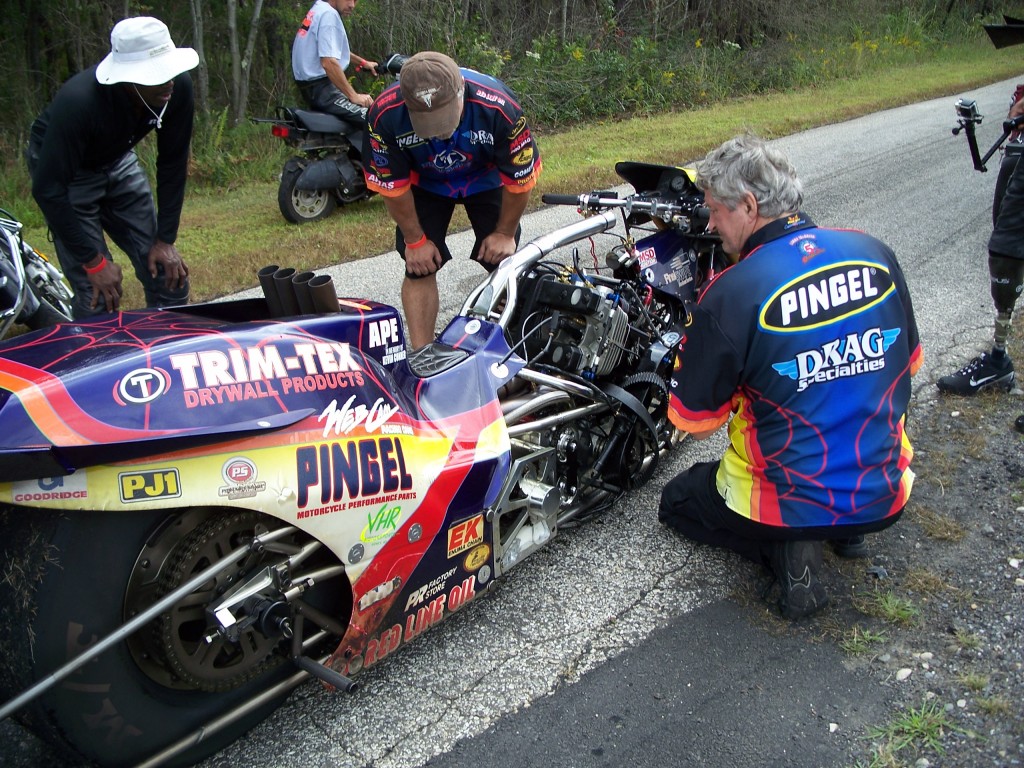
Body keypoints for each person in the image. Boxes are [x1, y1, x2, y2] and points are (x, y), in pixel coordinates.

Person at [659, 134, 923, 620]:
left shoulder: (732, 290)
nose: (709, 222)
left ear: (750, 205)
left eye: (715, 209)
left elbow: (692, 419)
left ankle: (788, 552)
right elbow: (908, 363)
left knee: (677, 501)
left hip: (787, 500)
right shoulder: (875, 251)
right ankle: (848, 530)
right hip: (886, 490)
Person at [362, 51, 541, 350]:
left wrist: (505, 233)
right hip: (425, 181)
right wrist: (415, 241)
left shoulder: (499, 106)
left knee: (504, 263)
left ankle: (514, 347)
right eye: (427, 122)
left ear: (461, 91)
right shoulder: (384, 114)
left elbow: (521, 178)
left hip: (486, 176)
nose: (439, 131)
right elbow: (392, 186)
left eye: (444, 118)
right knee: (417, 264)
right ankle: (422, 356)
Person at [27, 16, 195, 320]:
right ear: (129, 78)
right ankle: (93, 358)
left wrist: (165, 239)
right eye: (157, 74)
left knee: (170, 276)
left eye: (169, 69)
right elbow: (48, 189)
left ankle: (162, 355)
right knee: (99, 295)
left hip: (117, 160)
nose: (169, 80)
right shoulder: (79, 102)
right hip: (68, 173)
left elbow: (172, 162)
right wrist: (93, 262)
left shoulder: (177, 87)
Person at [937, 86, 1024, 436]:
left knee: (1006, 249)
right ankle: (999, 361)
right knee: (1005, 248)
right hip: (1017, 152)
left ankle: (1000, 361)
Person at [292, 0, 377, 124]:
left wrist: (363, 62)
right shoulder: (329, 15)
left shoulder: (319, 8)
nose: (352, 5)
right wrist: (354, 96)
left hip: (310, 88)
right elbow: (329, 62)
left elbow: (331, 49)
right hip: (322, 91)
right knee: (377, 120)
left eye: (355, 0)